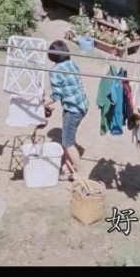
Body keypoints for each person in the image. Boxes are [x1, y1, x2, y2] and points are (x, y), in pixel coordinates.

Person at [46, 40, 89, 181]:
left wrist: (42, 103)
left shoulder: (55, 71)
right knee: (68, 137)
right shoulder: (73, 64)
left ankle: (81, 173)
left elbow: (56, 95)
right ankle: (66, 167)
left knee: (67, 143)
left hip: (73, 109)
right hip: (82, 105)